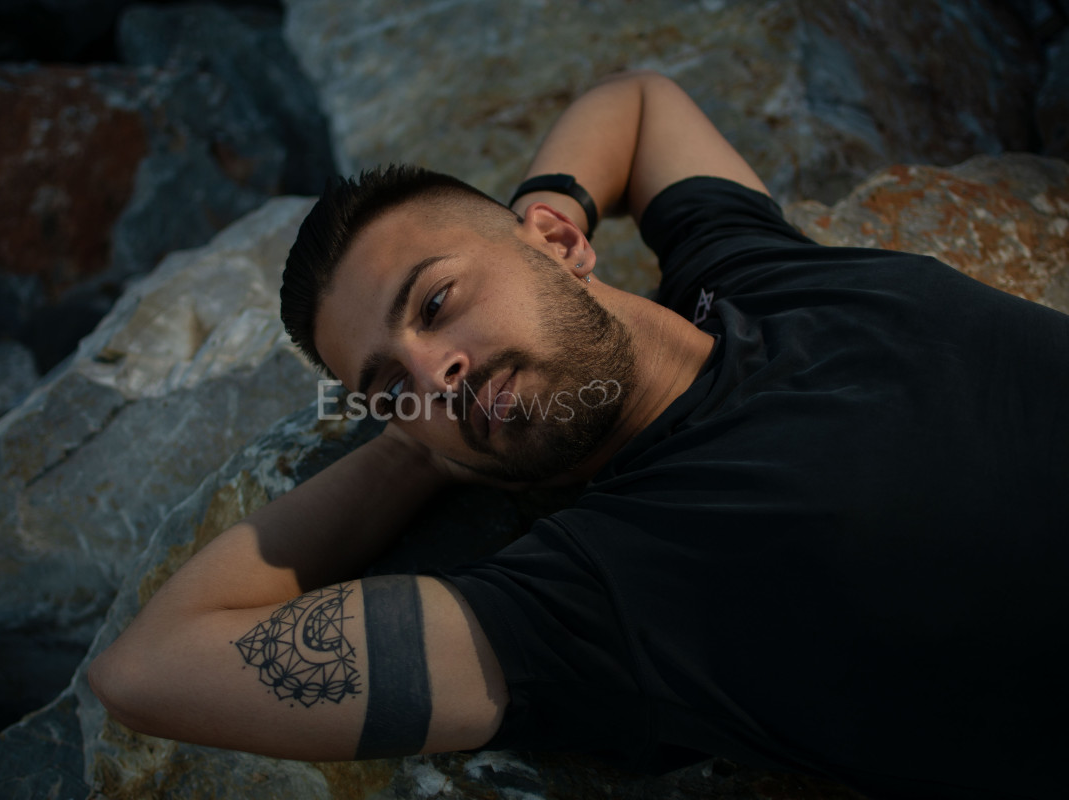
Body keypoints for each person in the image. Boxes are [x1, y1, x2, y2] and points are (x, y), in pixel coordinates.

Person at [88, 71, 1068, 798]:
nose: (432, 375)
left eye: (437, 303)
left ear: (559, 244)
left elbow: (639, 103)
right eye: (389, 387)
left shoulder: (751, 274)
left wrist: (547, 205)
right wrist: (409, 450)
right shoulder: (601, 596)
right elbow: (147, 668)